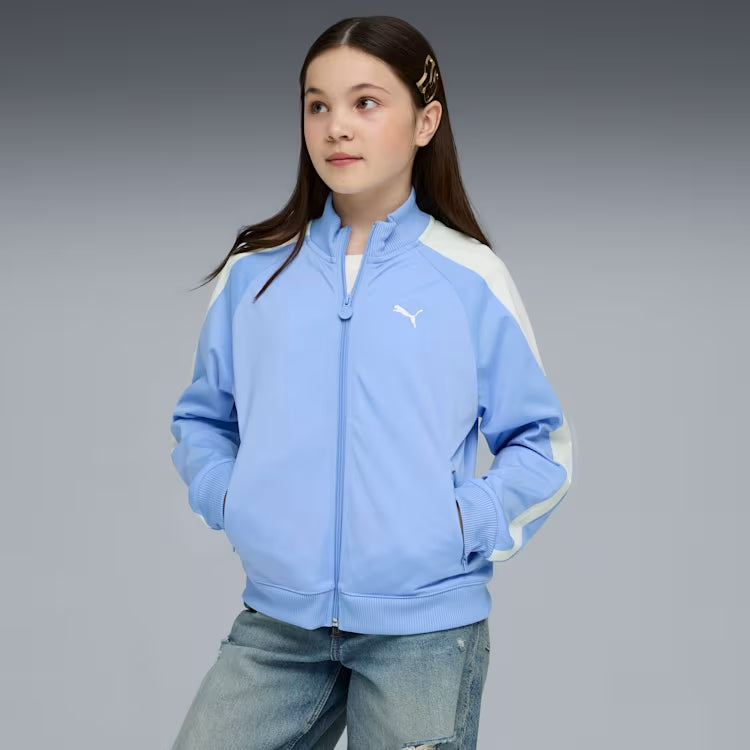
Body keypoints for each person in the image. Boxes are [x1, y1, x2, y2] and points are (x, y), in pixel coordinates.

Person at [168, 14, 574, 750]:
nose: (336, 127)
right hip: (280, 624)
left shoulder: (469, 277)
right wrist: (232, 498)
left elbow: (541, 447)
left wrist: (459, 528)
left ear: (425, 122)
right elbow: (203, 419)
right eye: (317, 105)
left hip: (423, 632)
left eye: (365, 103)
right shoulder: (256, 273)